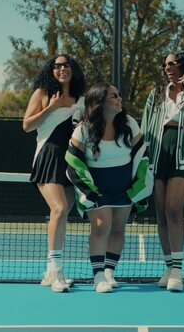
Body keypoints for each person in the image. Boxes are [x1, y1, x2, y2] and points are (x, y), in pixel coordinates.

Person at [64, 82, 151, 293]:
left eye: (119, 95)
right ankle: (98, 275)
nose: (119, 99)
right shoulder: (83, 129)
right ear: (100, 103)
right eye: (113, 96)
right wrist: (88, 192)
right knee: (102, 226)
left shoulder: (129, 123)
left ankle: (109, 271)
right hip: (97, 189)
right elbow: (72, 162)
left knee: (118, 229)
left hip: (124, 188)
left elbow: (142, 155)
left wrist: (138, 186)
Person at [140, 51, 184, 292]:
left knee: (173, 208)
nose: (167, 67)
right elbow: (146, 126)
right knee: (161, 214)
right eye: (165, 64)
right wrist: (142, 158)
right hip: (157, 153)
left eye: (172, 63)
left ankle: (178, 270)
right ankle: (169, 267)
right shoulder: (156, 93)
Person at [23, 54, 86, 293]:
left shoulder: (81, 99)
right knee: (59, 209)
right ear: (51, 70)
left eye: (66, 65)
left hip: (71, 160)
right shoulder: (42, 93)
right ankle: (55, 269)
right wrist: (52, 108)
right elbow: (27, 126)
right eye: (57, 66)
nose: (62, 69)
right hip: (48, 156)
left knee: (62, 214)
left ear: (73, 69)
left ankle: (50, 272)